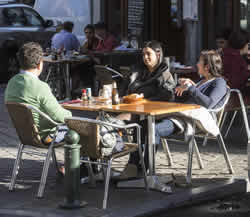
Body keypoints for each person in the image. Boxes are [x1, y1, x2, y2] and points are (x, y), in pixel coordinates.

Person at [122, 50, 228, 178]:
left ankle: (145, 171)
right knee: (141, 123)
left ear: (207, 66)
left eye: (199, 62)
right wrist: (180, 89)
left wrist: (191, 88)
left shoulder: (219, 82)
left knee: (153, 129)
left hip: (190, 120)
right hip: (179, 115)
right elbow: (186, 99)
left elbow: (209, 103)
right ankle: (133, 164)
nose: (196, 64)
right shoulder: (201, 81)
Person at [5, 42, 72, 143]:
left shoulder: (12, 82)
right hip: (45, 136)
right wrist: (71, 115)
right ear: (40, 63)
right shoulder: (40, 86)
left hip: (24, 135)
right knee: (79, 132)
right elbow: (59, 116)